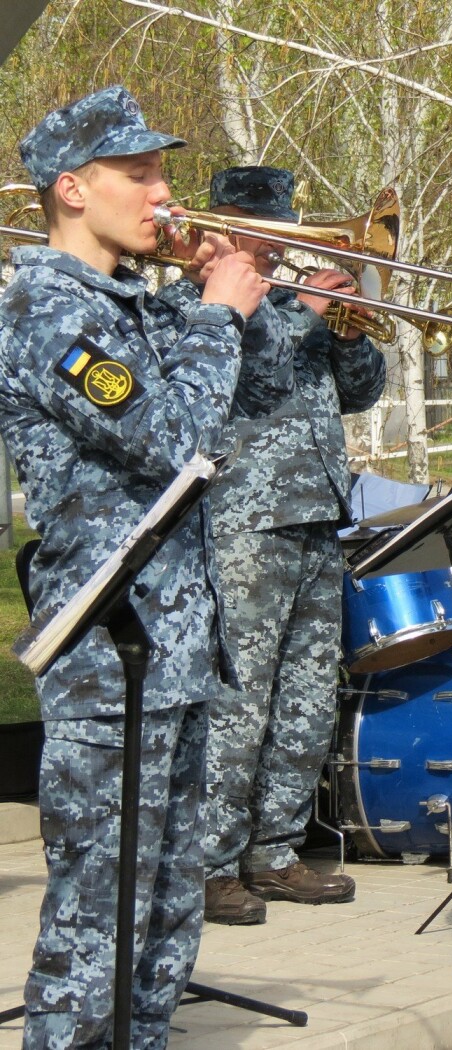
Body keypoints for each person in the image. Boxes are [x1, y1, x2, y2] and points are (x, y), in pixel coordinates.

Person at [0, 87, 271, 1047]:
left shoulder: (134, 301)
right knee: (98, 915)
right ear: (73, 190)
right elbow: (170, 437)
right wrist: (216, 316)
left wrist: (246, 293)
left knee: (163, 910)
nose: (164, 192)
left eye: (163, 171)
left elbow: (254, 396)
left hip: (177, 649)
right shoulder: (42, 304)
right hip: (108, 654)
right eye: (140, 173)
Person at [169, 165, 386, 925]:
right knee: (240, 696)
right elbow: (238, 381)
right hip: (241, 520)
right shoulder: (191, 304)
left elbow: (362, 392)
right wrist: (301, 309)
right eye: (262, 230)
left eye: (284, 228)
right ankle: (211, 860)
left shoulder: (298, 307)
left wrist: (349, 324)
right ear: (221, 225)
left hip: (319, 516)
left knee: (305, 697)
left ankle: (277, 850)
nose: (275, 245)